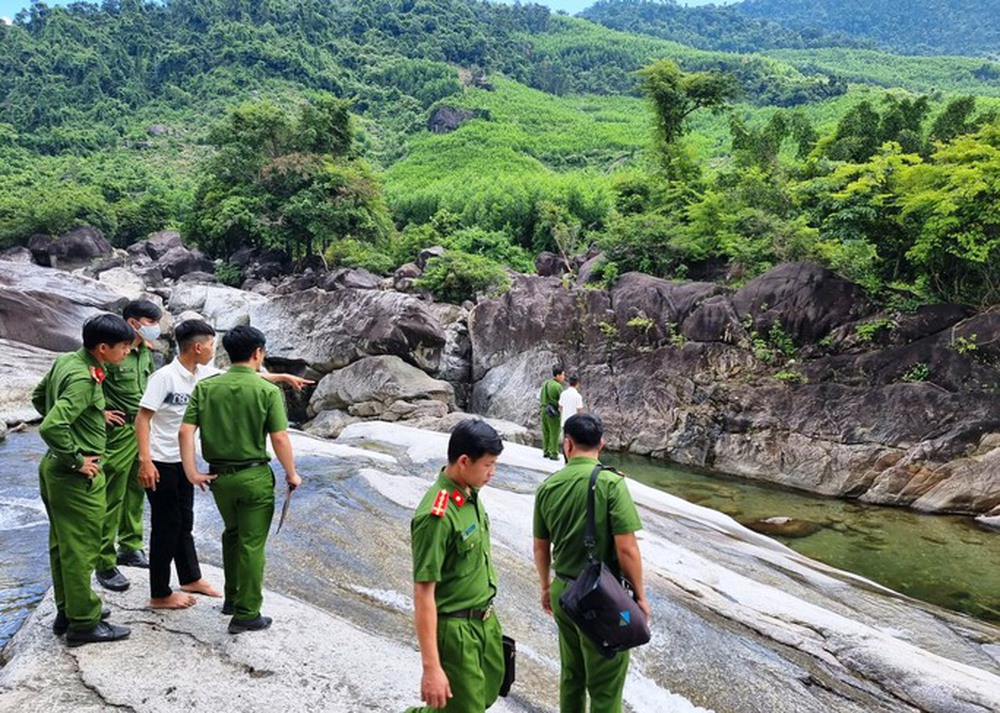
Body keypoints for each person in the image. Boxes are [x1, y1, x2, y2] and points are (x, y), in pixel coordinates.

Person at [137, 319, 314, 610]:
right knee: (169, 527)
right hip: (163, 461)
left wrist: (282, 376)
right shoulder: (165, 377)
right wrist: (145, 460)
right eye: (209, 345)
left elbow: (241, 377)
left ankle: (193, 578)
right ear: (197, 347)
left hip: (193, 465)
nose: (211, 349)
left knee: (191, 525)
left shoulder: (205, 379)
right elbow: (142, 419)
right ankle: (165, 593)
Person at [179, 325, 302, 634]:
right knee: (251, 544)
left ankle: (231, 598)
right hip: (253, 477)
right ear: (258, 353)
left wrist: (191, 471)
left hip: (219, 477)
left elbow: (185, 431)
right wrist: (291, 473)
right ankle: (247, 613)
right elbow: (280, 438)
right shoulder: (267, 390)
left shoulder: (207, 387)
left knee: (232, 534)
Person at [532, 413, 651, 713]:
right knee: (605, 684)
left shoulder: (549, 486)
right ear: (602, 444)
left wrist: (546, 587)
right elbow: (627, 549)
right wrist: (640, 597)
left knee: (572, 674)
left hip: (564, 593)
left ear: (567, 444)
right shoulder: (611, 483)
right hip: (604, 599)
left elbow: (540, 546)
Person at [32, 313, 135, 646]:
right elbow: (51, 426)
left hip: (53, 470)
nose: (127, 354)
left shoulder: (67, 361)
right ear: (103, 348)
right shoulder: (82, 379)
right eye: (123, 348)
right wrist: (77, 460)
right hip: (74, 476)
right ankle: (84, 623)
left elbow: (39, 398)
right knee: (82, 548)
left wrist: (93, 412)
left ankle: (68, 609)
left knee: (62, 544)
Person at [407, 419, 506, 713]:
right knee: (466, 708)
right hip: (456, 632)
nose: (492, 473)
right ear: (464, 461)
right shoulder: (436, 515)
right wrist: (431, 667)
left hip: (485, 623)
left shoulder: (470, 493)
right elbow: (423, 593)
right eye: (488, 465)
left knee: (484, 695)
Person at [96, 299, 163, 592]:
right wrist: (99, 412)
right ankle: (104, 562)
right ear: (134, 322)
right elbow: (89, 382)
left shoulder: (143, 353)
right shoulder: (111, 349)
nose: (156, 329)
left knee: (137, 489)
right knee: (111, 496)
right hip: (117, 434)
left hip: (143, 430)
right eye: (151, 323)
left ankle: (130, 546)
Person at [539, 365, 566, 460]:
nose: (564, 377)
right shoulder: (557, 386)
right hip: (552, 411)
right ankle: (554, 453)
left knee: (545, 431)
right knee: (554, 432)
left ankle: (545, 451)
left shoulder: (545, 383)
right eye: (563, 375)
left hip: (543, 409)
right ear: (558, 375)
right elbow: (560, 401)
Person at [558, 375, 584, 445]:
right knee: (573, 441)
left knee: (565, 440)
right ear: (577, 384)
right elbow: (580, 410)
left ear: (569, 383)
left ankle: (565, 454)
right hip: (574, 423)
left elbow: (560, 407)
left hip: (564, 421)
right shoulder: (578, 396)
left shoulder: (563, 394)